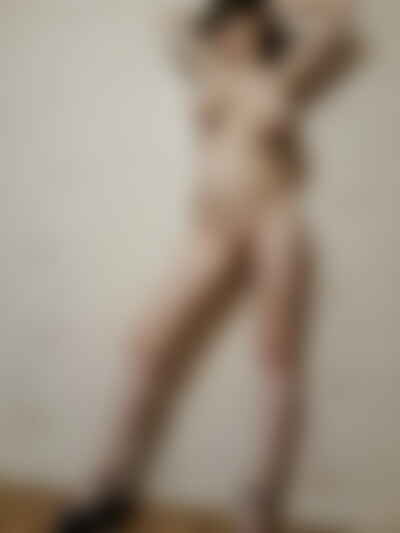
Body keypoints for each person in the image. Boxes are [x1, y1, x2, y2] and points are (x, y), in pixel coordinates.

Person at [54, 0, 351, 531]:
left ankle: (257, 509)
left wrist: (270, 6)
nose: (234, 37)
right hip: (212, 229)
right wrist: (227, 13)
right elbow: (166, 23)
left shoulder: (282, 76)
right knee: (148, 342)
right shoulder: (208, 71)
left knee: (277, 359)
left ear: (263, 34)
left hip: (274, 222)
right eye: (227, 28)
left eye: (247, 30)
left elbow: (339, 25)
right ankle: (108, 485)